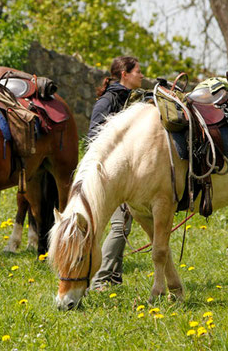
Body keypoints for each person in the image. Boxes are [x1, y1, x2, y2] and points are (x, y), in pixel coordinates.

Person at [87, 56, 144, 290]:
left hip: (126, 174)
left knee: (124, 224)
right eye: (138, 71)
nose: (141, 75)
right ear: (124, 74)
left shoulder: (129, 100)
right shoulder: (108, 101)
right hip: (110, 176)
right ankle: (99, 280)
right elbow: (93, 140)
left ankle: (113, 277)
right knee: (119, 226)